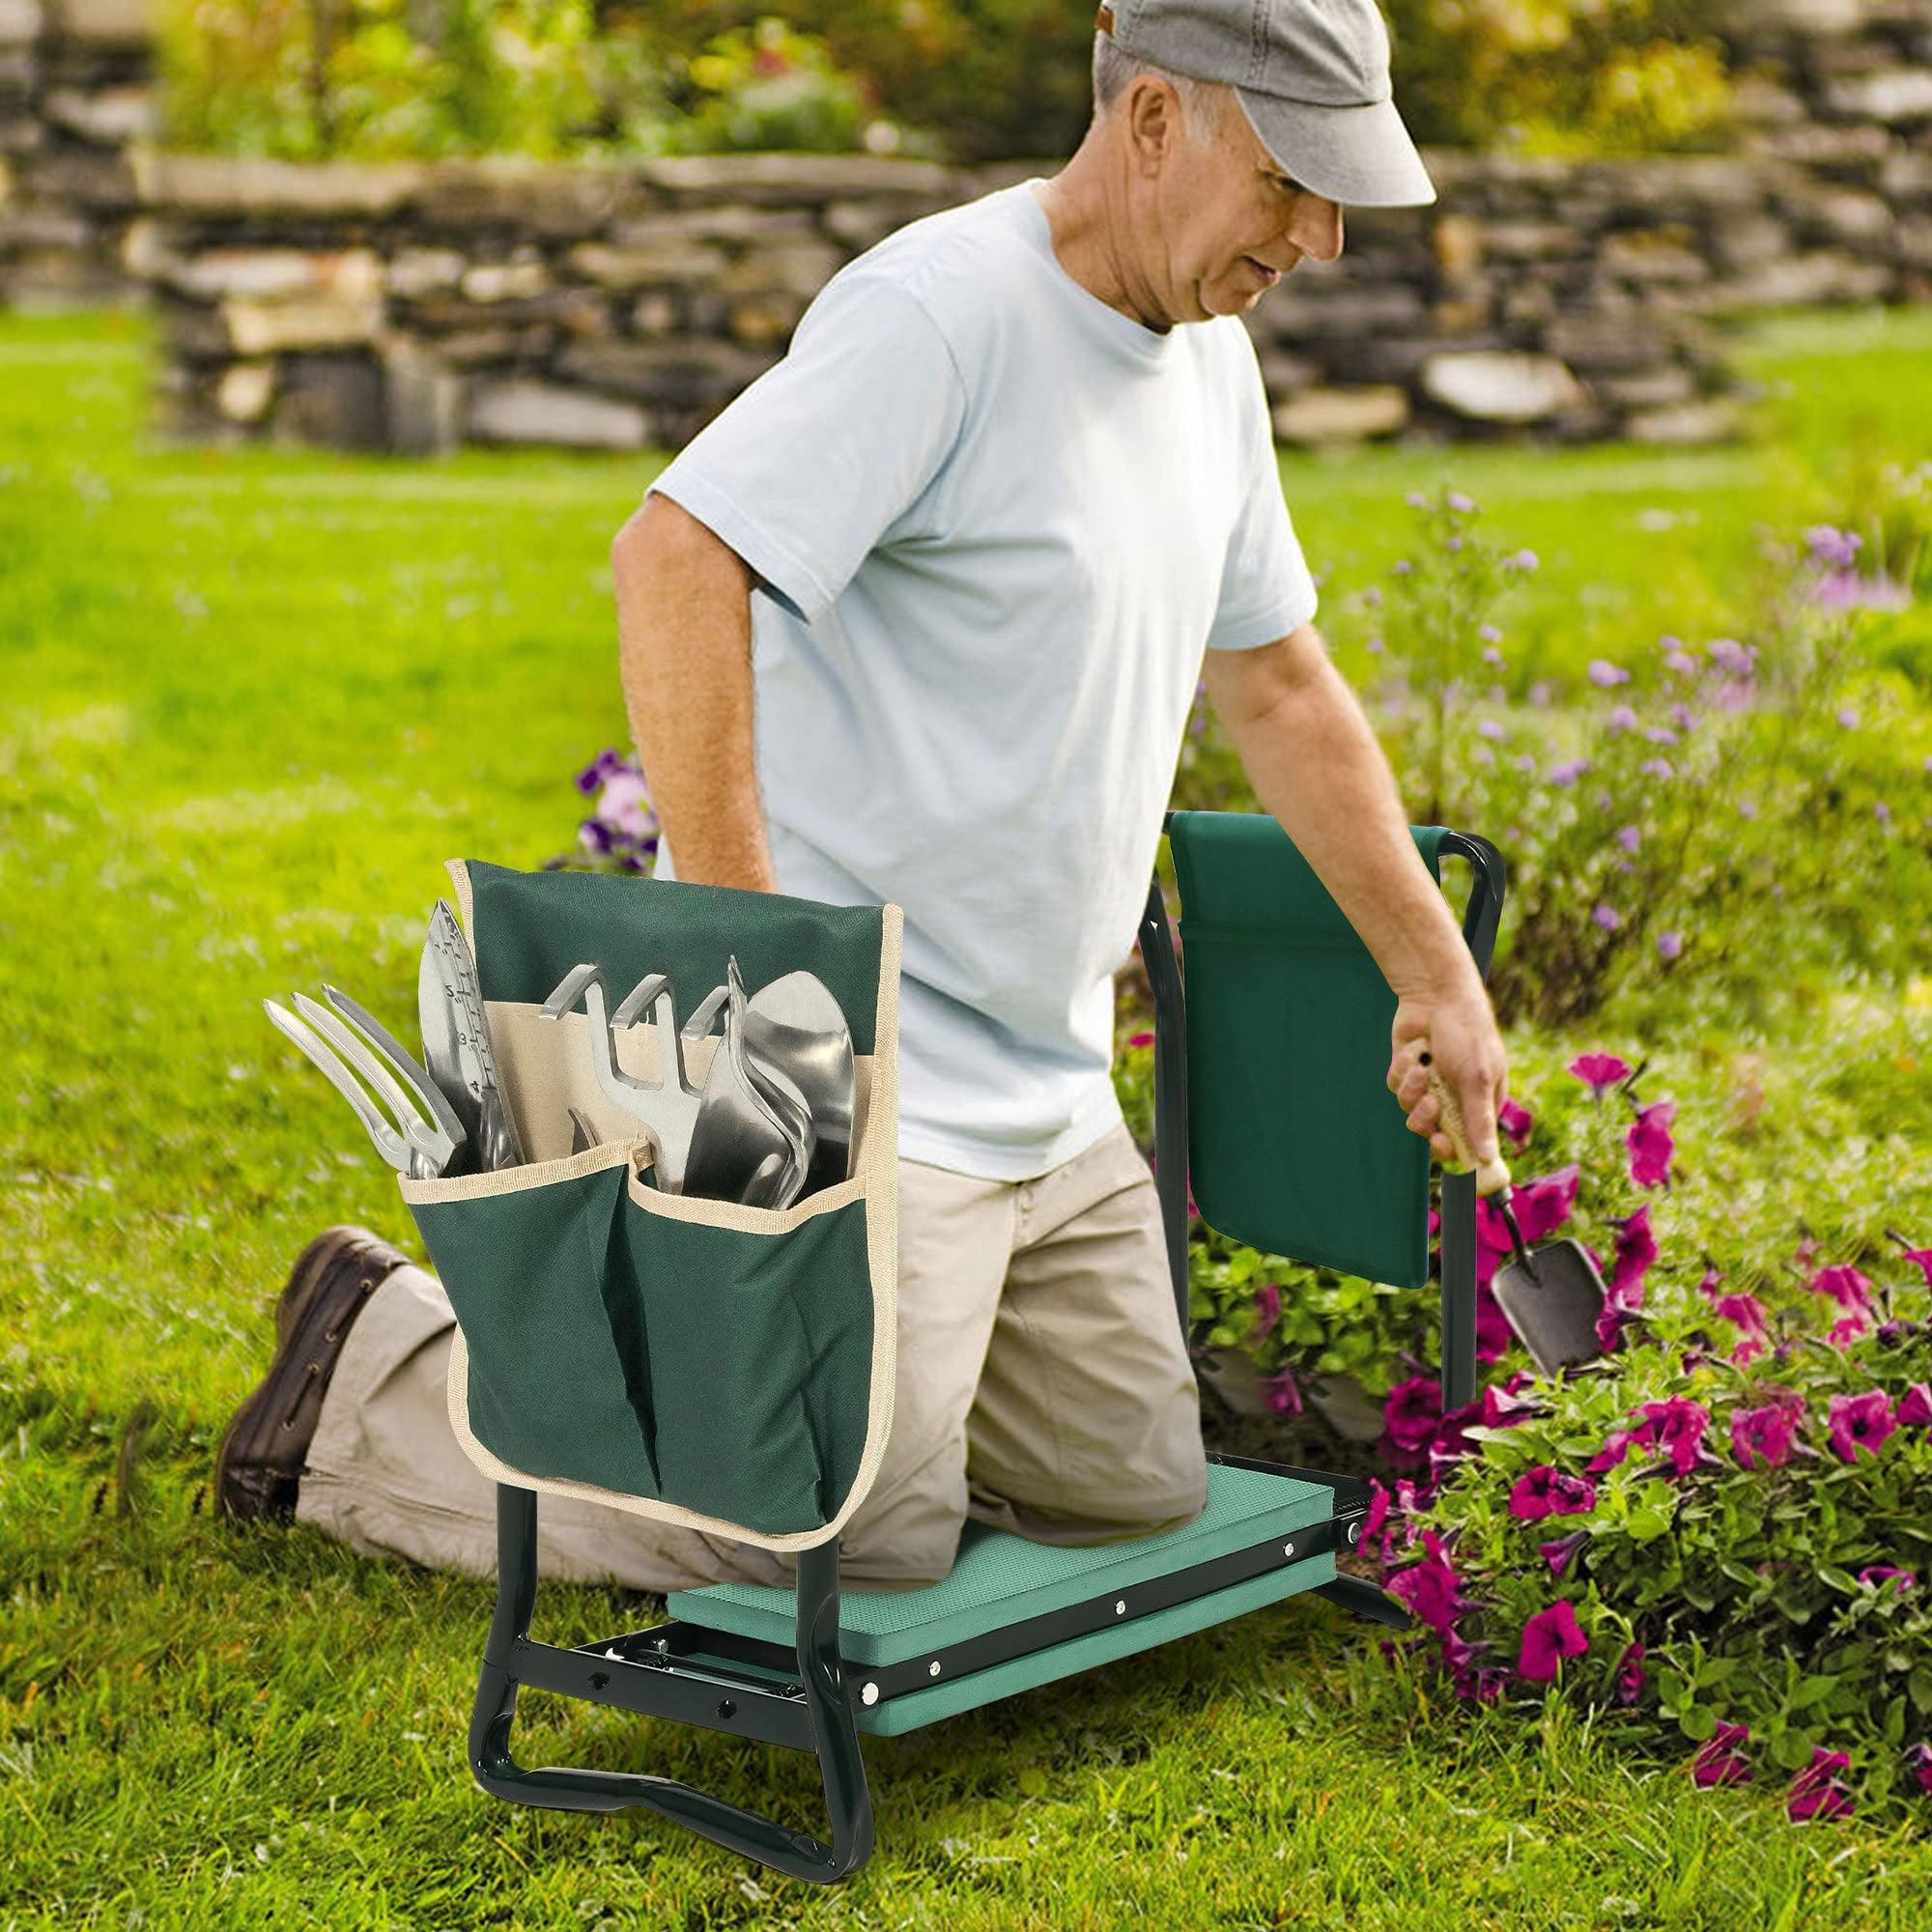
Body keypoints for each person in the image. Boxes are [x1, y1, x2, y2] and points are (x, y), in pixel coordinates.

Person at [216, 0, 1510, 1597]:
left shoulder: (1209, 372)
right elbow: (674, 558)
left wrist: (1432, 969)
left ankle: (851, 1394)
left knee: (1134, 1496)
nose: (1320, 239)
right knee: (861, 1541)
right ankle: (371, 1369)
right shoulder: (941, 313)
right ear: (1159, 119)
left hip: (1052, 1093)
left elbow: (1282, 686)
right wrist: (757, 968)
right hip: (868, 1074)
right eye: (1292, 183)